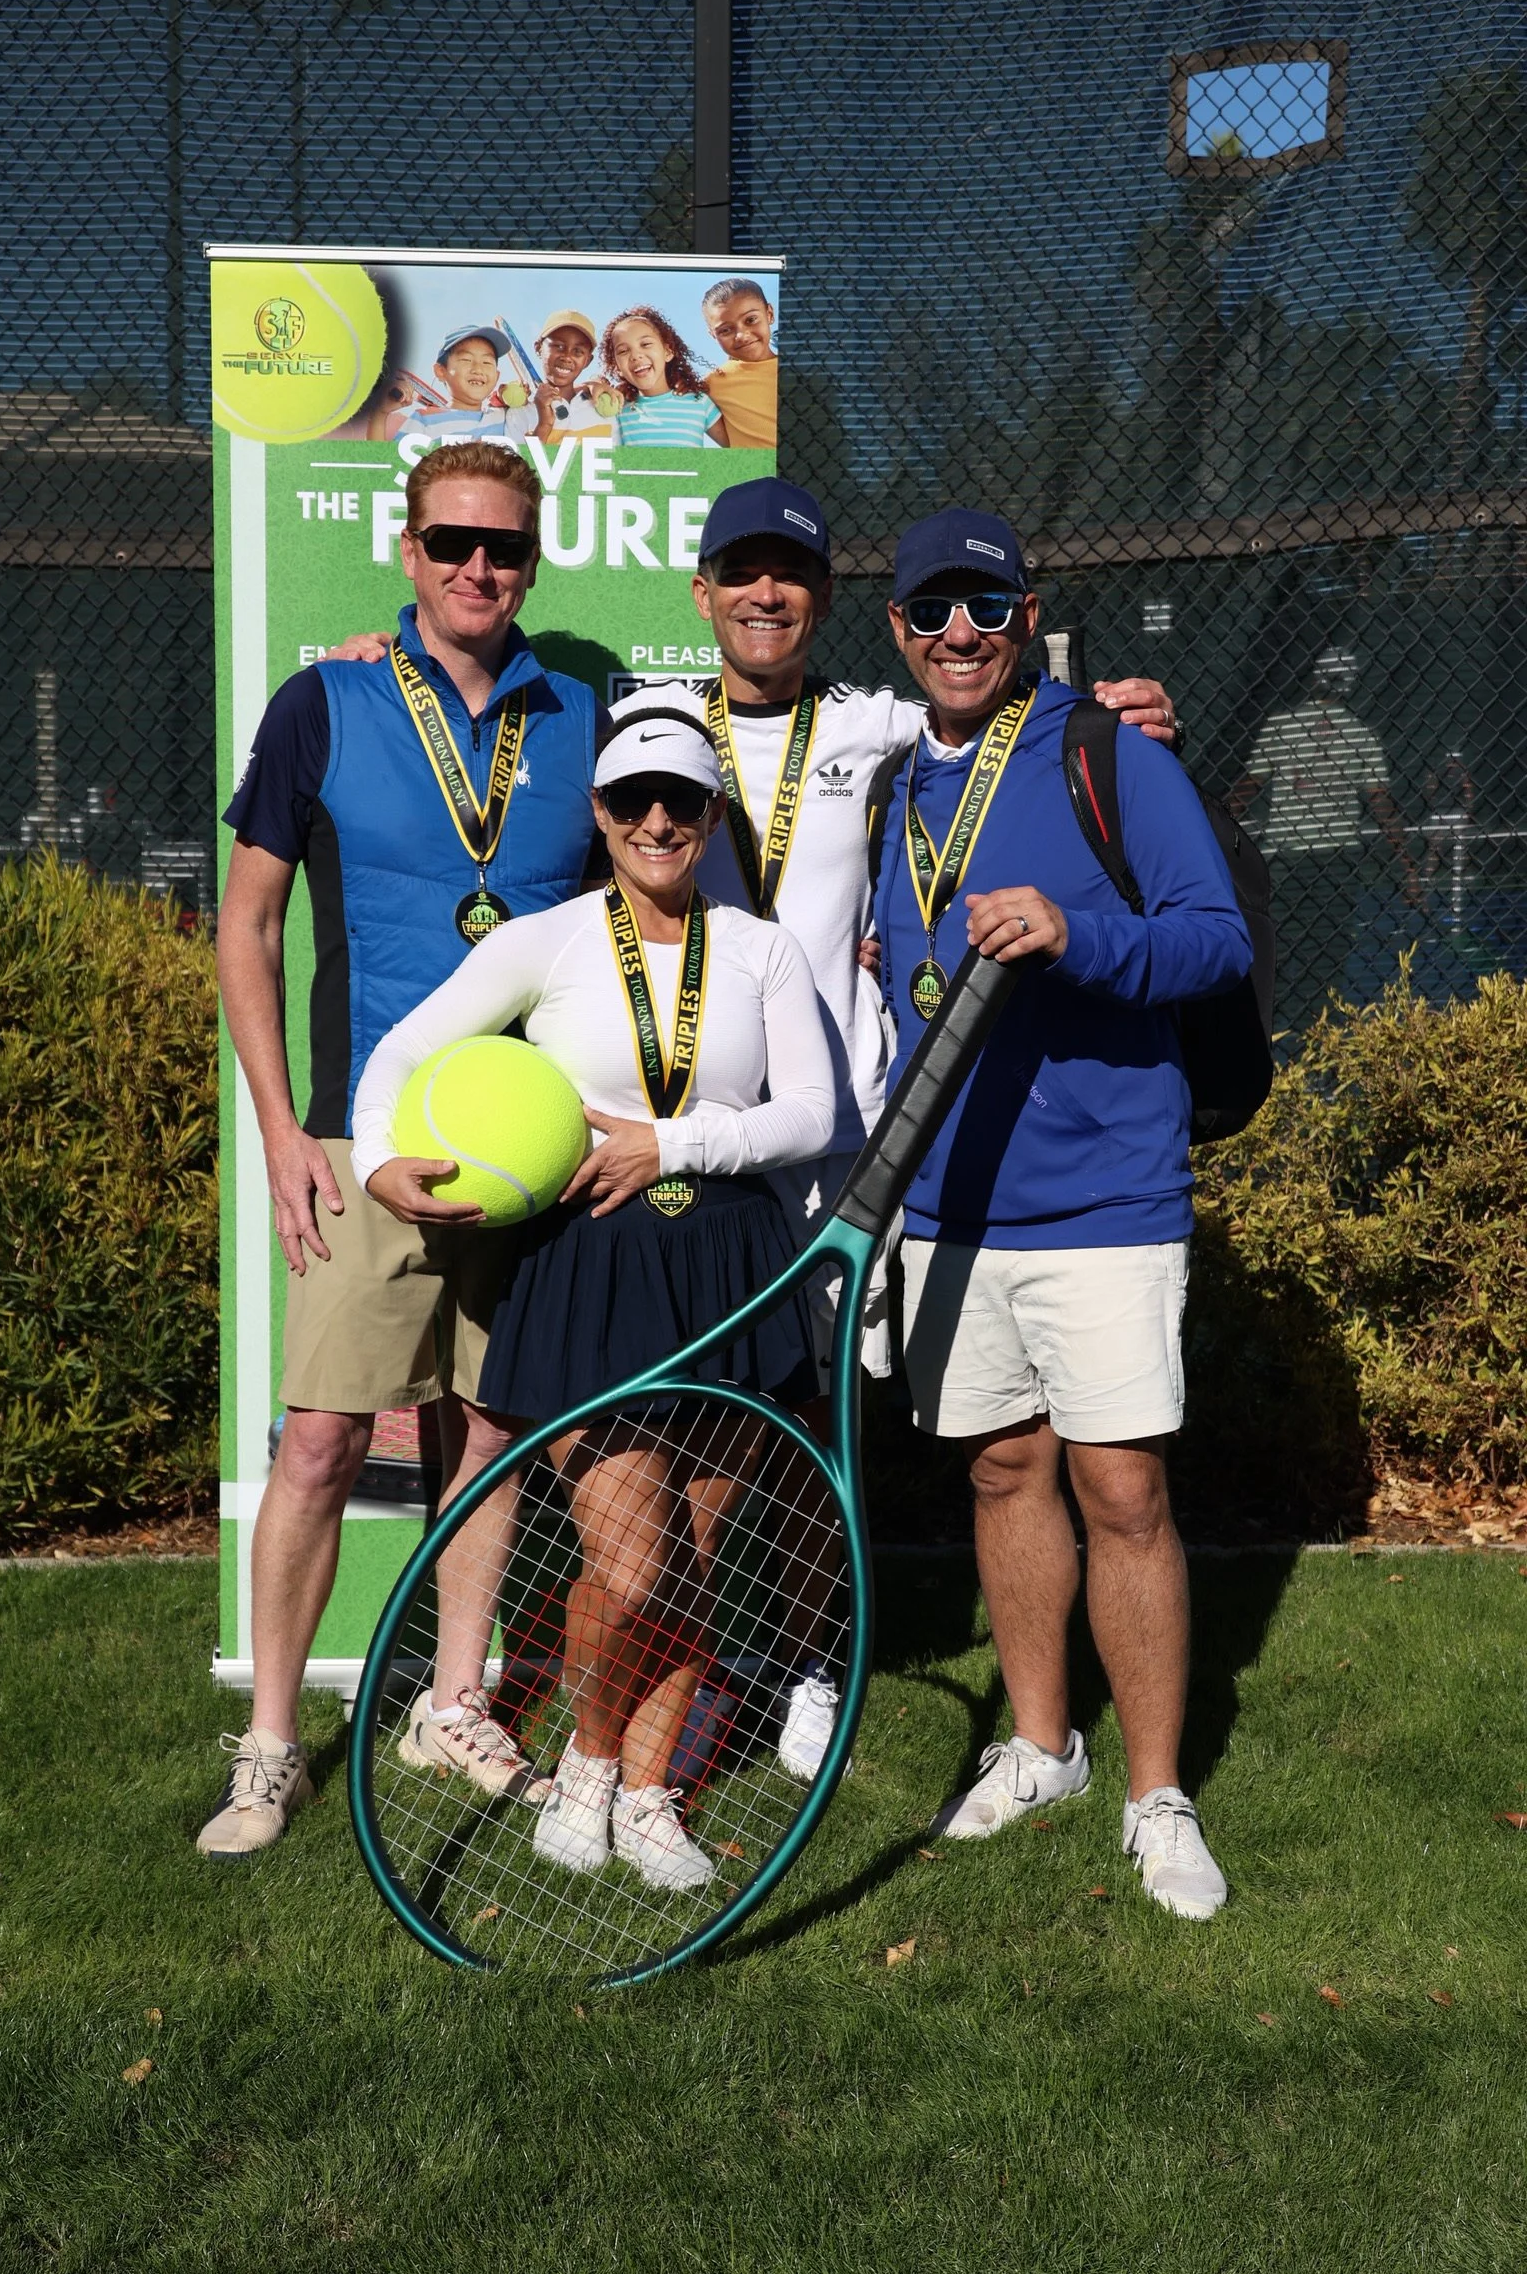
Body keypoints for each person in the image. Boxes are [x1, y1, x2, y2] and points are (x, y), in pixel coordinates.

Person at [328, 477, 1180, 1781]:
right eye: (741, 572)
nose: (765, 593)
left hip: (842, 1142)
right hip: (693, 1159)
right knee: (700, 1430)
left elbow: (987, 695)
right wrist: (381, 664)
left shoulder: (880, 723)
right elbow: (511, 694)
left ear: (827, 599)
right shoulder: (650, 727)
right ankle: (683, 1673)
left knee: (808, 1421)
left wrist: (1111, 704)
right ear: (703, 593)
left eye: (790, 573)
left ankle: (806, 1662)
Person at [201, 439, 608, 1858]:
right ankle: (268, 1746)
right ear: (407, 546)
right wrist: (279, 1132)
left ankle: (454, 1702)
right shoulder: (324, 700)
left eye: (501, 547)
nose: (476, 569)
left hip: (526, 1147)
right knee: (318, 1442)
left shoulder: (589, 712)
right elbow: (247, 926)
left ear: (535, 557)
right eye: (450, 543)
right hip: (356, 1136)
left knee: (486, 1432)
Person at [351, 703, 834, 1890]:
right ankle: (588, 1760)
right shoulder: (549, 941)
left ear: (712, 816)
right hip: (594, 1268)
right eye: (632, 803)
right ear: (603, 819)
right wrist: (374, 1157)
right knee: (636, 1565)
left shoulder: (763, 948)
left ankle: (654, 1788)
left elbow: (814, 1117)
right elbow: (403, 1055)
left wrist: (665, 1148)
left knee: (703, 1554)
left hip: (729, 1260)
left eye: (681, 801)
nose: (658, 821)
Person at [872, 507, 1252, 1920]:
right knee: (1000, 1474)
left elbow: (1214, 940)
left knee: (1124, 1490)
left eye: (984, 607)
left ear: (1028, 615)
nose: (958, 632)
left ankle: (1160, 1797)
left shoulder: (1105, 749)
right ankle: (1043, 1748)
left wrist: (1075, 932)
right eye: (930, 612)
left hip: (1105, 1198)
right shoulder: (884, 781)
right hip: (947, 1206)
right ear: (898, 632)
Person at [1229, 645, 1420, 1031]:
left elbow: (1246, 791)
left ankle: (1276, 1030)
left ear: (1313, 678)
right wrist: (1409, 868)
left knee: (1279, 948)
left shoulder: (1283, 726)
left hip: (1284, 853)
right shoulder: (1359, 734)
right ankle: (1317, 1029)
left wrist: (1211, 829)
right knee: (1328, 953)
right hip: (1335, 857)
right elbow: (1382, 807)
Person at [600, 307, 729, 447]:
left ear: (668, 352)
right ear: (617, 367)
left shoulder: (699, 402)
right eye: (623, 351)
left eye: (646, 344)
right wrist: (595, 382)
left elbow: (737, 447)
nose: (636, 356)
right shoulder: (619, 408)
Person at [383, 326, 518, 445]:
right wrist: (381, 414)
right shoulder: (423, 420)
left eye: (487, 362)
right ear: (441, 371)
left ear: (497, 376)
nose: (478, 369)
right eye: (466, 360)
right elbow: (390, 467)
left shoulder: (505, 417)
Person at [505, 309, 620, 446]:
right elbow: (517, 467)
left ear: (587, 361)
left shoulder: (603, 408)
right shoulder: (519, 413)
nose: (567, 357)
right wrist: (544, 424)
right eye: (558, 346)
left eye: (578, 351)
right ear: (538, 348)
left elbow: (616, 464)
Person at [699, 276, 779, 451]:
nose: (742, 335)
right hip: (759, 473)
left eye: (750, 320)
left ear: (769, 314)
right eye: (725, 330)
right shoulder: (711, 384)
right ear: (713, 334)